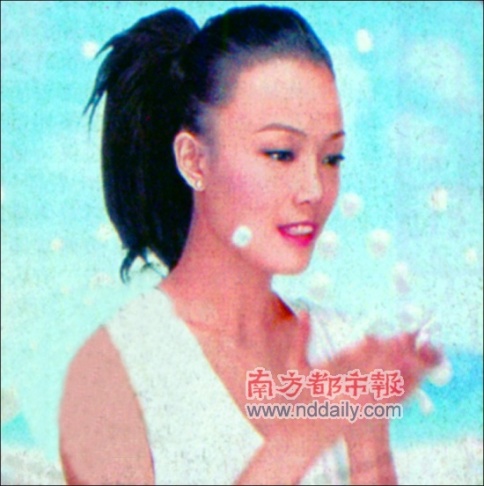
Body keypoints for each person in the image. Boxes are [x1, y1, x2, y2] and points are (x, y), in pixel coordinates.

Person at [59, 5, 443, 485]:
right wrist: (303, 436)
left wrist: (364, 433)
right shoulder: (115, 374)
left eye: (331, 157)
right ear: (194, 160)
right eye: (280, 153)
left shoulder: (338, 344)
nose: (314, 189)